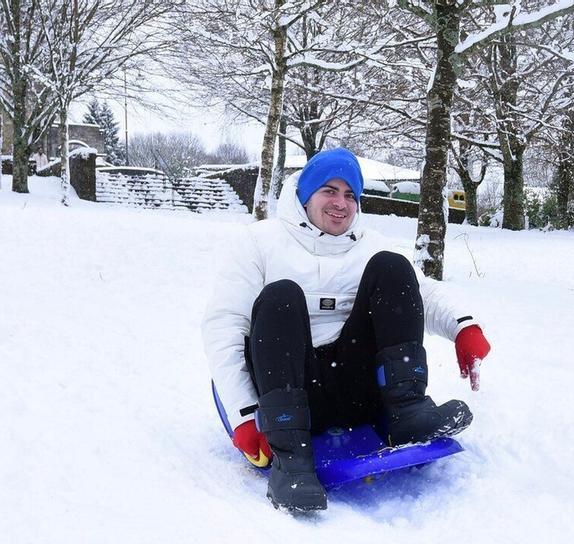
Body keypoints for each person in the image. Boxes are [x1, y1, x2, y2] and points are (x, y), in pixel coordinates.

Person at [202, 148, 492, 512]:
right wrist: (244, 416)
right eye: (329, 191)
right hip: (291, 390)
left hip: (355, 388)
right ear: (306, 195)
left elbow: (423, 294)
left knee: (392, 268)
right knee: (281, 296)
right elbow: (224, 326)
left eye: (350, 194)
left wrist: (464, 327)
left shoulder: (369, 245)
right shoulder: (259, 242)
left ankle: (406, 413)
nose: (341, 203)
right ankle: (291, 457)